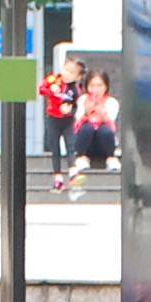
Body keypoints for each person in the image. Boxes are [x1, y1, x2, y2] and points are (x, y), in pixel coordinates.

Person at [65, 68, 118, 196]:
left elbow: (111, 122)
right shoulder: (82, 100)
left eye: (100, 85)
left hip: (103, 143)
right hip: (86, 142)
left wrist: (101, 112)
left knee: (105, 131)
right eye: (92, 85)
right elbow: (77, 121)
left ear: (106, 87)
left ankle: (111, 158)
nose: (96, 89)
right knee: (87, 128)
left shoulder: (111, 102)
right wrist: (87, 112)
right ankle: (82, 157)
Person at [37, 55, 82, 187]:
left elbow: (75, 103)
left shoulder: (74, 88)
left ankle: (73, 171)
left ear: (78, 76)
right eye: (66, 69)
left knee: (70, 145)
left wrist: (70, 108)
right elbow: (41, 89)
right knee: (54, 147)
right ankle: (58, 177)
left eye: (72, 72)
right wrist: (51, 90)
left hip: (68, 120)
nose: (67, 74)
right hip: (53, 118)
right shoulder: (54, 79)